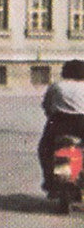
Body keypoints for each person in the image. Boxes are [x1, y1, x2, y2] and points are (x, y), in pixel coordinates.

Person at [38, 59, 84, 192]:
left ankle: (49, 181)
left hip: (60, 124)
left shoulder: (57, 86)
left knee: (45, 149)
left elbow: (46, 105)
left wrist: (50, 114)